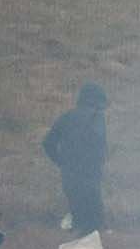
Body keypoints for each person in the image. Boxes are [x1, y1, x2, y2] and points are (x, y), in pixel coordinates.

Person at [43, 81, 109, 234]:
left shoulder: (67, 117)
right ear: (96, 103)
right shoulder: (97, 119)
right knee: (93, 227)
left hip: (70, 178)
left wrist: (61, 162)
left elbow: (48, 143)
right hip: (90, 179)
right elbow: (100, 149)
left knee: (79, 223)